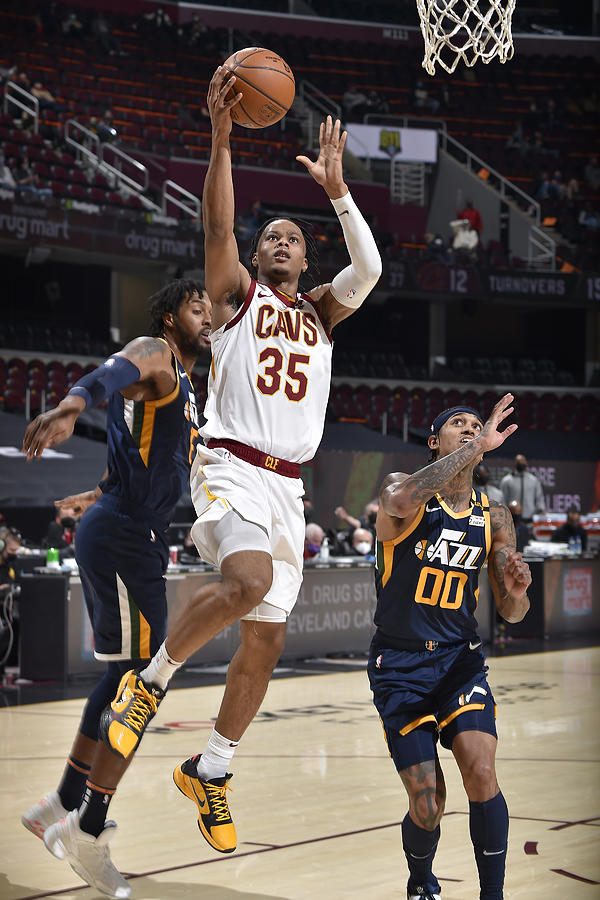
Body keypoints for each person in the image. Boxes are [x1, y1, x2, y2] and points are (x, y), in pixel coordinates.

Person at [100, 67, 381, 858]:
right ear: (259, 258)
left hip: (289, 488)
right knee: (248, 582)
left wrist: (338, 191)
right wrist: (222, 137)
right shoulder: (237, 300)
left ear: (307, 254)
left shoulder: (321, 311)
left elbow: (372, 272)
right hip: (229, 464)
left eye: (293, 237)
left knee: (264, 643)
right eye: (271, 238)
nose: (280, 241)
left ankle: (212, 769)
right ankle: (148, 684)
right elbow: (217, 233)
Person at [20, 280, 211, 897]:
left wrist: (96, 495)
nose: (206, 313)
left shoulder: (185, 384)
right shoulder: (154, 351)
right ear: (169, 316)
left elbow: (135, 456)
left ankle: (61, 806)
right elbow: (108, 376)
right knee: (139, 687)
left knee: (122, 677)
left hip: (124, 527)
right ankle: (84, 828)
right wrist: (74, 405)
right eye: (195, 305)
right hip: (128, 537)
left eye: (209, 306)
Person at [369, 397, 531, 900]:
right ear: (434, 442)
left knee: (482, 773)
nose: (469, 429)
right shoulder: (404, 492)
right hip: (399, 665)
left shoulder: (495, 516)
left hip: (460, 661)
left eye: (476, 426)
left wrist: (518, 592)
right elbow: (394, 505)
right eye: (456, 425)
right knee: (428, 803)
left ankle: (493, 894)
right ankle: (421, 882)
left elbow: (511, 614)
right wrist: (476, 447)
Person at [500, 454, 545, 527]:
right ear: (514, 463)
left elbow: (539, 497)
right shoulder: (507, 480)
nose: (520, 463)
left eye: (522, 461)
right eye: (518, 462)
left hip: (529, 519)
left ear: (526, 463)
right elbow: (503, 499)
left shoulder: (534, 480)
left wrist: (541, 509)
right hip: (511, 519)